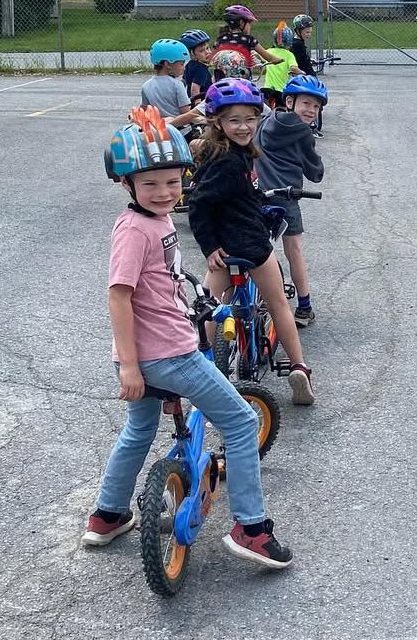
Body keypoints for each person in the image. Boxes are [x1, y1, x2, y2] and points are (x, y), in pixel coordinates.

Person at [84, 106, 293, 568]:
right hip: (168, 355)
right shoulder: (135, 230)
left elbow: (161, 280)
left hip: (149, 352)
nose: (164, 192)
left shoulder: (154, 222)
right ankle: (251, 528)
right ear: (126, 184)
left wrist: (190, 293)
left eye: (173, 181)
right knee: (239, 423)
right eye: (150, 183)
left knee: (139, 430)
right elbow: (118, 296)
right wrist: (131, 366)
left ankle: (108, 516)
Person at [187, 78, 315, 405]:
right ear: (217, 121)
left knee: (208, 307)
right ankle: (299, 367)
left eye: (250, 119)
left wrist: (212, 246)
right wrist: (209, 246)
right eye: (234, 120)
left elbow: (223, 198)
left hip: (227, 249)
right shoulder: (229, 160)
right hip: (249, 246)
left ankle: (198, 369)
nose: (244, 127)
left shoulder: (231, 152)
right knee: (278, 304)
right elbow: (199, 203)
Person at [254, 75, 326, 327]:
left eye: (316, 106)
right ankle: (304, 307)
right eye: (307, 103)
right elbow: (315, 173)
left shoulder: (265, 121)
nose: (311, 111)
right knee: (293, 251)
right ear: (290, 100)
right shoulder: (303, 133)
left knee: (259, 248)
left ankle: (261, 298)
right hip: (285, 198)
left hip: (257, 194)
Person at [142, 39, 192, 137]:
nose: (184, 68)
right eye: (181, 64)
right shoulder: (177, 85)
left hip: (157, 131)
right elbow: (185, 112)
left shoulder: (146, 86)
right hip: (177, 131)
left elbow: (144, 110)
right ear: (167, 64)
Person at [213, 5, 283, 67]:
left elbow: (213, 57)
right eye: (249, 24)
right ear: (241, 22)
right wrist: (280, 60)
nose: (250, 27)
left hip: (223, 79)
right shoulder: (249, 40)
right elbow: (269, 57)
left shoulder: (221, 39)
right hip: (242, 80)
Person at [261, 24, 303, 109]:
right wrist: (302, 73)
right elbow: (293, 68)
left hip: (267, 89)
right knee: (284, 110)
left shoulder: (268, 51)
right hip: (281, 91)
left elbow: (260, 59)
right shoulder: (289, 55)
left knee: (265, 111)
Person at [179, 29, 213, 104]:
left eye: (207, 48)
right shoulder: (201, 68)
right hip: (203, 102)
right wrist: (197, 104)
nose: (207, 52)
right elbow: (195, 89)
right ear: (191, 54)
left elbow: (183, 82)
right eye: (201, 51)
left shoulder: (190, 64)